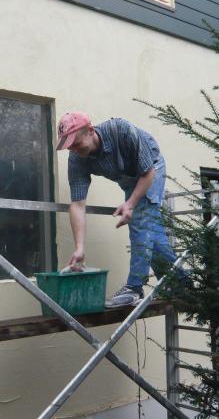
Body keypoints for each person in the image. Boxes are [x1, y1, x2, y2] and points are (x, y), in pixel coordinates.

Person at [56, 111, 177, 308]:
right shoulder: (76, 159)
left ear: (90, 131)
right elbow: (77, 205)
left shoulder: (121, 130)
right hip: (128, 179)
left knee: (140, 220)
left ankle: (134, 288)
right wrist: (79, 248)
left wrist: (130, 204)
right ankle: (180, 283)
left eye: (77, 144)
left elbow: (148, 173)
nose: (75, 150)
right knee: (151, 231)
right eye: (70, 147)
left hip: (151, 168)